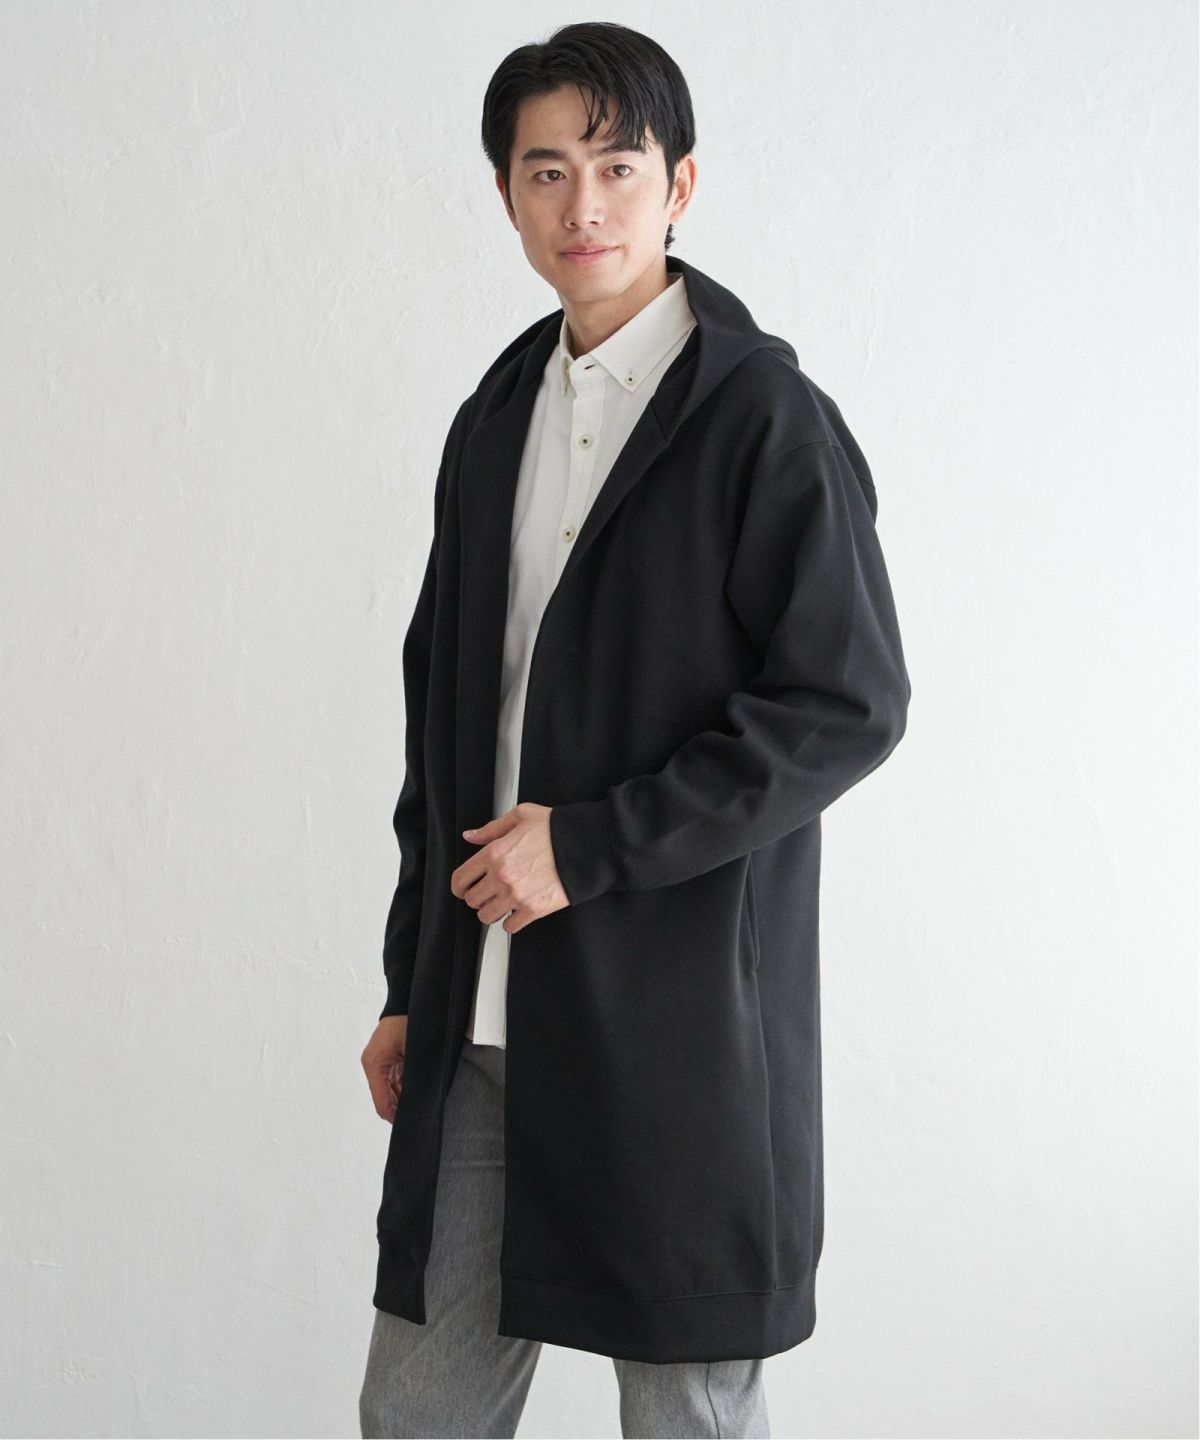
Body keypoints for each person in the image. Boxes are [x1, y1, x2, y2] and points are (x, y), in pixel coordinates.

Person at [358, 20, 911, 1439]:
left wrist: (590, 847)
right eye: (547, 170)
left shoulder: (763, 419)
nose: (583, 205)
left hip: (675, 1029)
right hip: (481, 1025)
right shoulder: (495, 418)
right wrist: (414, 978)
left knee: (687, 1412)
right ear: (506, 195)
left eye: (618, 165)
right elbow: (446, 725)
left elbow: (846, 703)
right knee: (417, 1415)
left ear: (681, 184)